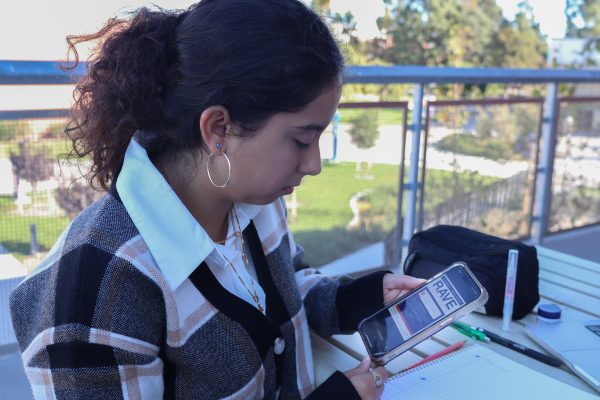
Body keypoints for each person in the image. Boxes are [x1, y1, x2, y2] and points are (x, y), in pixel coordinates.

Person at [9, 0, 424, 399]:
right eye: (302, 140)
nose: (313, 164)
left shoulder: (255, 199)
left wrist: (358, 301)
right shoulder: (94, 292)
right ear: (218, 128)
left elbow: (282, 286)